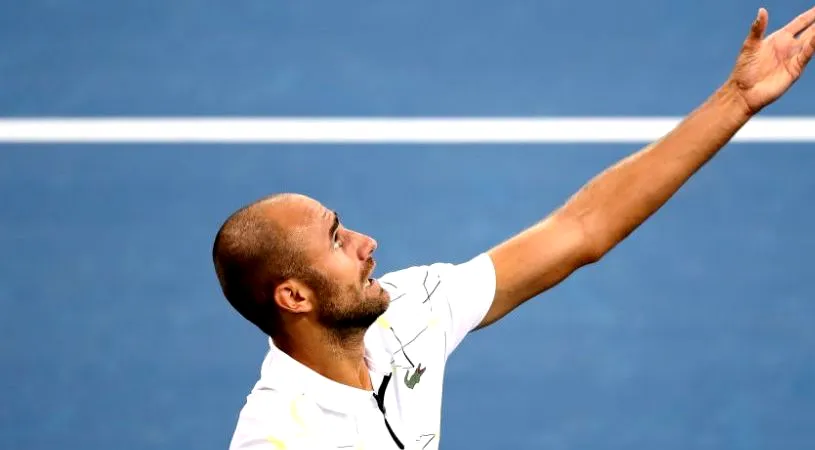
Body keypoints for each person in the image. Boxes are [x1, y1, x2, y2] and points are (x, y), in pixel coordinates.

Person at [213, 6, 815, 449]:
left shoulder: (410, 309)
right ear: (294, 296)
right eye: (336, 239)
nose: (366, 244)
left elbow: (582, 228)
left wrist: (736, 100)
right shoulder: (277, 439)